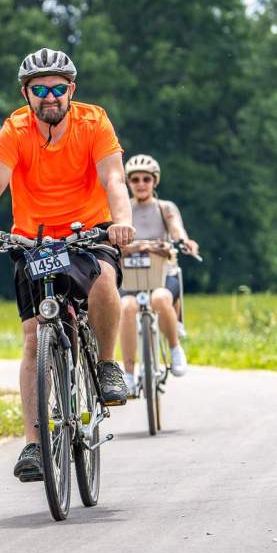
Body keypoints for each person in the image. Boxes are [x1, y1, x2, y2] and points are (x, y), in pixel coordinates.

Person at [0, 47, 135, 482]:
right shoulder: (15, 129)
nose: (49, 97)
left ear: (71, 90)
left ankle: (107, 364)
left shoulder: (93, 121)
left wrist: (122, 222)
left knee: (103, 279)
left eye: (57, 88)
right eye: (39, 90)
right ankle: (34, 444)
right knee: (33, 337)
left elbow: (114, 177)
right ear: (26, 94)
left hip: (89, 233)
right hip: (34, 241)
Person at [118, 154, 199, 385]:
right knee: (126, 307)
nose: (141, 184)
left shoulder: (165, 208)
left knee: (161, 299)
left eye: (146, 179)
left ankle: (175, 349)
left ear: (155, 181)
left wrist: (184, 241)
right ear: (128, 182)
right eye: (135, 180)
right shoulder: (124, 208)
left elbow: (176, 229)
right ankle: (129, 374)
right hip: (131, 277)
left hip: (162, 274)